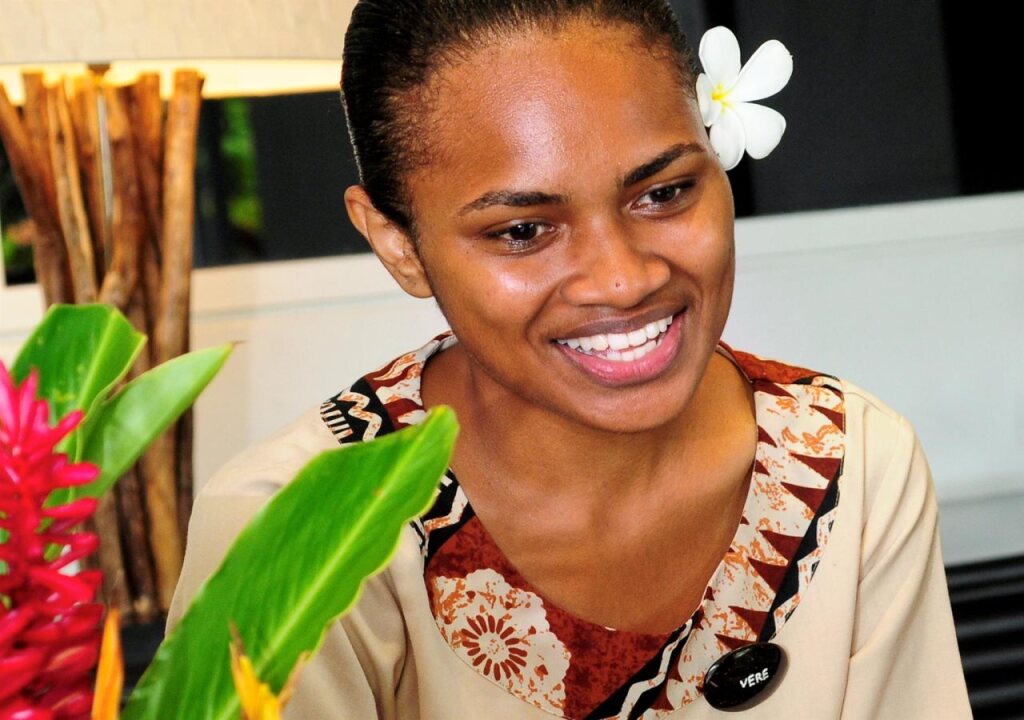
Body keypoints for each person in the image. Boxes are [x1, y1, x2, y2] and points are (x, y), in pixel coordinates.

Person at [169, 1, 973, 717]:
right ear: (397, 244)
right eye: (523, 231)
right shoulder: (291, 531)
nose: (624, 278)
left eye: (664, 192)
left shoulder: (850, 461)